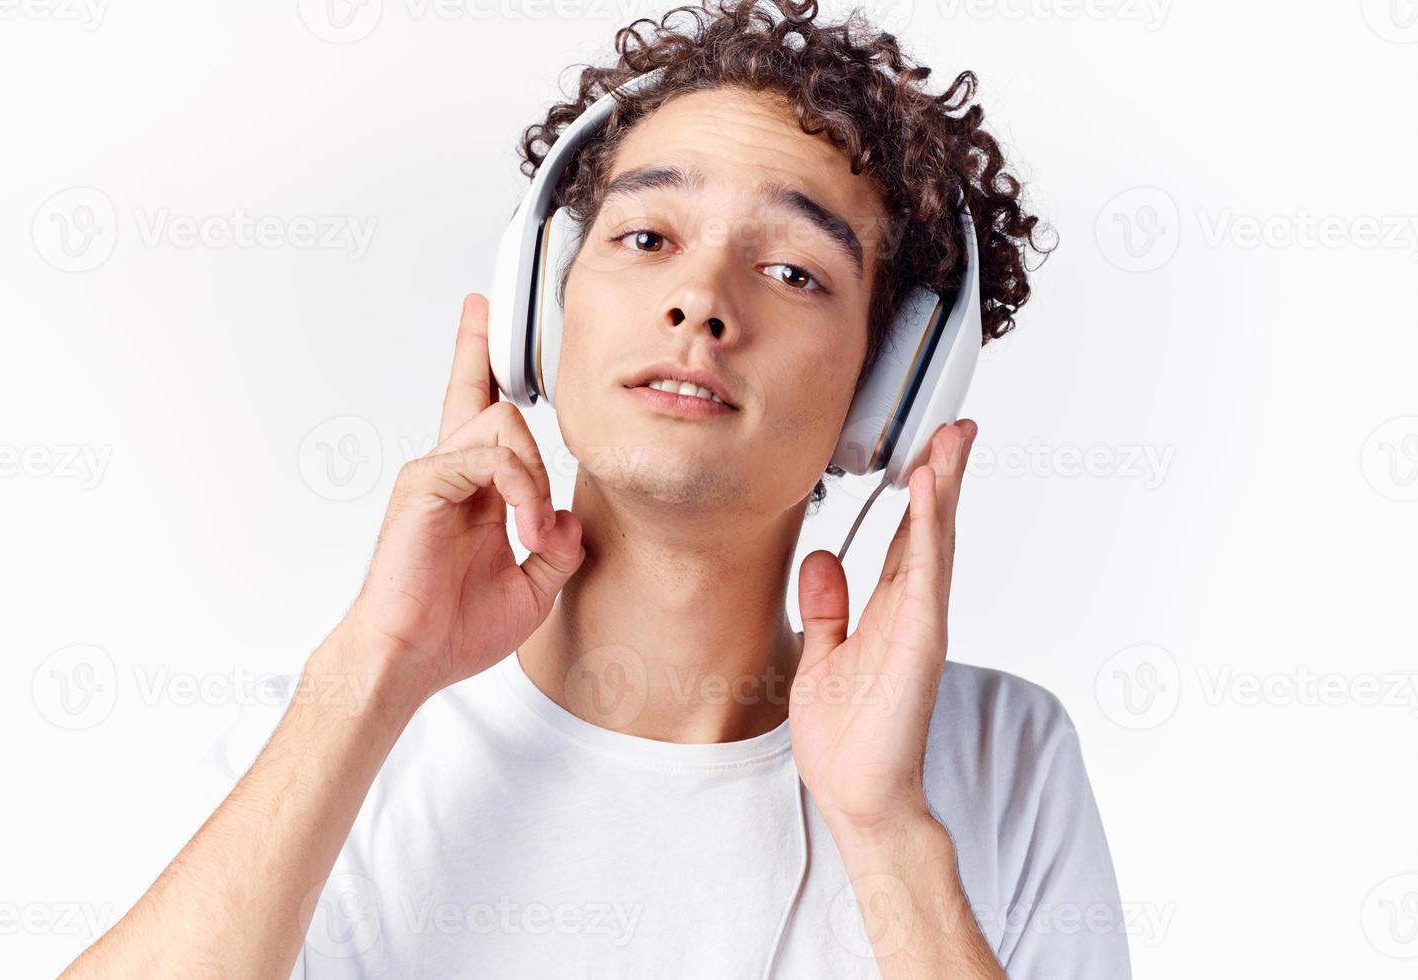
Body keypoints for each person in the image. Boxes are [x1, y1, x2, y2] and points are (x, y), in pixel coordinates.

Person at [62, 1, 1131, 976]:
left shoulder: (1000, 760)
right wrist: (376, 669)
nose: (698, 300)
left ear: (886, 393)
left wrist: (886, 831)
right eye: (644, 237)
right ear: (546, 308)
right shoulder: (323, 742)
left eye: (793, 270)